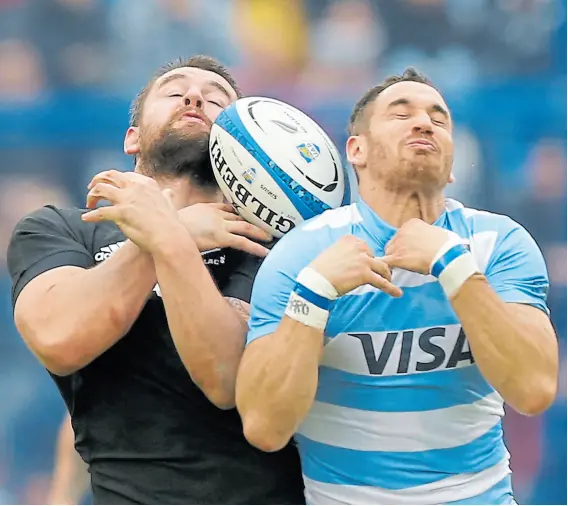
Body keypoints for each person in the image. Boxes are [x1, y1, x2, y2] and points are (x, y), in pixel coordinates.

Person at [235, 68, 558, 505]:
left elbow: (534, 389)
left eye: (438, 119)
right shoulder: (302, 256)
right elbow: (265, 426)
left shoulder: (497, 242)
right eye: (400, 114)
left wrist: (454, 268)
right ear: (356, 150)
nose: (424, 123)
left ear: (453, 163)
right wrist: (313, 294)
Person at [8, 55, 304, 505]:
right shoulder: (62, 228)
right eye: (173, 90)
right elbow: (59, 336)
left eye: (216, 98)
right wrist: (168, 234)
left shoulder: (271, 246)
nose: (194, 96)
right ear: (132, 138)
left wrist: (168, 236)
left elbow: (226, 379)